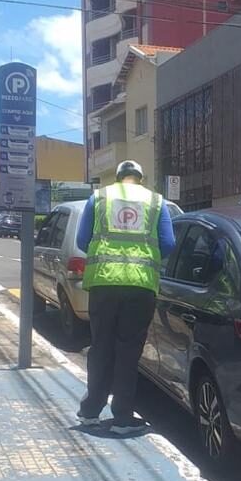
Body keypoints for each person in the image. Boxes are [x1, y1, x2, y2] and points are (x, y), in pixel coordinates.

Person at [75, 160, 176, 434]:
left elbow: (83, 240)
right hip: (140, 286)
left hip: (104, 283)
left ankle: (90, 412)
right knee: (128, 352)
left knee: (101, 347)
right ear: (140, 179)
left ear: (118, 178)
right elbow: (168, 243)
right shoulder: (156, 201)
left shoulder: (99, 197)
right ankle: (122, 418)